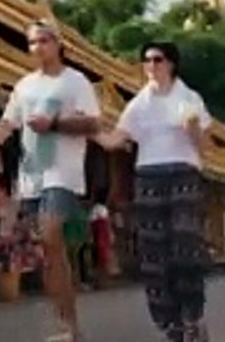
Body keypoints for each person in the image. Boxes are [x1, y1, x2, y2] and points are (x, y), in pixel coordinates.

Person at [0, 19, 101, 342]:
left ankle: (70, 326)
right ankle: (66, 325)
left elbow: (92, 124)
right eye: (32, 42)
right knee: (49, 251)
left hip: (63, 173)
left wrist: (53, 123)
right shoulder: (25, 86)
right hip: (32, 175)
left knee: (51, 233)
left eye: (44, 40)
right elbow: (8, 123)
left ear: (58, 44)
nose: (38, 47)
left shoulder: (75, 82)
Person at [93, 41, 213, 342]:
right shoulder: (139, 105)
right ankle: (170, 324)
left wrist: (193, 129)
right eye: (146, 61)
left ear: (171, 64)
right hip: (149, 177)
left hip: (183, 173)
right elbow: (114, 141)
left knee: (185, 249)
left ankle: (192, 315)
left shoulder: (189, 99)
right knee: (154, 256)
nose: (151, 66)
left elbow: (204, 148)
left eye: (157, 60)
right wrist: (85, 127)